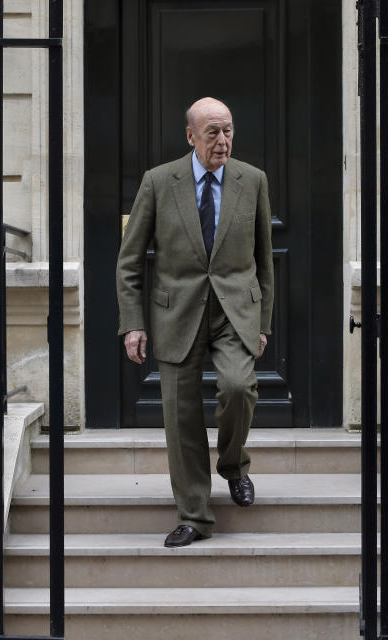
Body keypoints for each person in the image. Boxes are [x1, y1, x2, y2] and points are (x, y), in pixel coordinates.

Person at [115, 97, 274, 548]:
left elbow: (265, 261)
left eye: (227, 131)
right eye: (212, 133)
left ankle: (233, 465)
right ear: (191, 136)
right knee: (181, 418)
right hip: (175, 312)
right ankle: (194, 516)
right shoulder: (158, 182)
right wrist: (133, 323)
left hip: (235, 313)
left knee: (239, 388)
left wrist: (262, 320)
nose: (222, 141)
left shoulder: (254, 181)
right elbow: (129, 261)